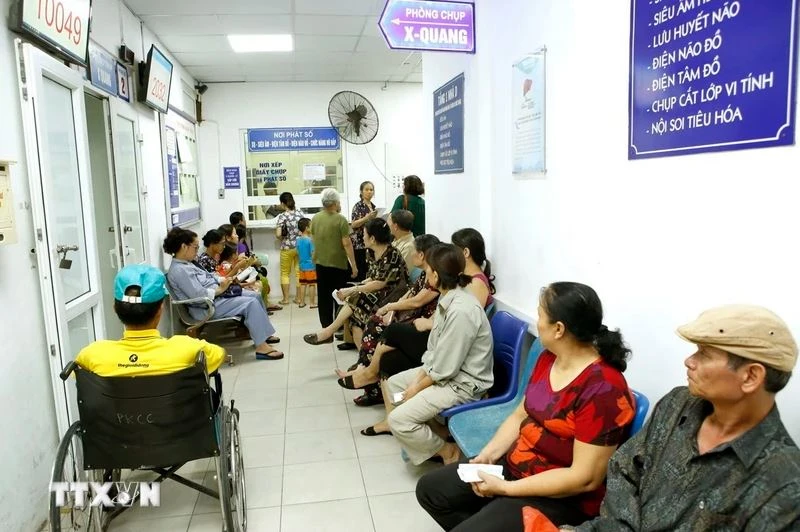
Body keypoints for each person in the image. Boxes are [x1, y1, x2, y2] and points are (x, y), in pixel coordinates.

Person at [416, 281, 635, 531]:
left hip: (562, 496)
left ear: (559, 329)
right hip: (518, 466)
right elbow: (521, 413)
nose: (537, 320)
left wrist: (507, 489)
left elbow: (584, 479)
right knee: (431, 491)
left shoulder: (603, 389)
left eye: (540, 314)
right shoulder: (548, 358)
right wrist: (488, 455)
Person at [567, 304, 800, 532]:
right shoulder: (678, 404)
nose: (689, 361)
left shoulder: (784, 484)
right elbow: (624, 468)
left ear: (750, 376)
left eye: (705, 354)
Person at [384, 243, 493, 465]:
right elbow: (434, 351)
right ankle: (438, 436)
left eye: (427, 270)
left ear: (436, 274)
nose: (424, 274)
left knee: (398, 420)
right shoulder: (448, 297)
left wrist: (416, 387)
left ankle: (448, 451)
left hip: (463, 383)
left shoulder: (461, 310)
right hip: (448, 372)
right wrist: (417, 380)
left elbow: (446, 368)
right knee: (394, 384)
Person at [76, 264, 226, 378]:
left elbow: (78, 374)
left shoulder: (92, 354)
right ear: (160, 309)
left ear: (115, 308)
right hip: (175, 418)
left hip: (115, 419)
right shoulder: (189, 349)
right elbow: (219, 355)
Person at [337, 234, 440, 390]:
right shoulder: (425, 273)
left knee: (377, 326)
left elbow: (417, 300)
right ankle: (363, 369)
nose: (411, 255)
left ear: (421, 254)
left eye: (414, 251)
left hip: (420, 323)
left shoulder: (435, 276)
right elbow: (410, 293)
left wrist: (390, 307)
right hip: (411, 315)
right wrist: (392, 309)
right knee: (373, 319)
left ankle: (367, 374)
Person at [163, 227, 284, 360]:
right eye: (195, 247)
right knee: (250, 303)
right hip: (205, 307)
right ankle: (262, 348)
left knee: (254, 295)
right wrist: (220, 289)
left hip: (216, 297)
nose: (197, 251)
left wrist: (225, 280)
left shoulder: (187, 264)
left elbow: (209, 277)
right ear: (184, 247)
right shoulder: (180, 271)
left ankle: (263, 335)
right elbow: (197, 296)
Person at [304, 218, 407, 347]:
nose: (362, 238)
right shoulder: (371, 252)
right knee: (355, 319)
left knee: (355, 296)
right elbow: (373, 277)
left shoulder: (392, 255)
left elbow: (380, 283)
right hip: (378, 292)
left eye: (364, 234)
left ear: (373, 239)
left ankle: (329, 331)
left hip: (392, 295)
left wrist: (354, 289)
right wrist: (360, 285)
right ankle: (362, 362)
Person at [309, 188, 358, 328]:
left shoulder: (316, 218)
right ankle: (339, 326)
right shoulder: (341, 220)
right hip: (338, 264)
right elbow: (347, 243)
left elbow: (314, 239)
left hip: (320, 262)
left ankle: (326, 325)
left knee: (323, 295)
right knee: (339, 295)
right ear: (336, 203)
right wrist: (354, 265)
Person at [452, 228, 496, 309]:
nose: (451, 255)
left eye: (453, 250)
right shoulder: (464, 276)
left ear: (466, 252)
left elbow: (469, 319)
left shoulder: (477, 284)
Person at [275, 192, 306, 305]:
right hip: (299, 247)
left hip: (287, 247)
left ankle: (286, 299)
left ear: (283, 203)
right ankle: (298, 298)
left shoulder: (282, 216)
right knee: (298, 273)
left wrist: (284, 236)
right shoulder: (300, 213)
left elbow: (278, 234)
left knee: (285, 273)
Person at [350, 181, 378, 282]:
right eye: (366, 189)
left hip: (372, 243)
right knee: (362, 271)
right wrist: (366, 218)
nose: (369, 192)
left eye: (371, 190)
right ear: (361, 192)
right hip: (360, 244)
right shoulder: (358, 206)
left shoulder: (374, 207)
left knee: (371, 271)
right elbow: (353, 224)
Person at [295, 217, 317, 309]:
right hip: (310, 266)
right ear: (307, 228)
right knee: (312, 284)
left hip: (301, 266)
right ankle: (312, 303)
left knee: (303, 284)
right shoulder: (310, 240)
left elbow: (298, 253)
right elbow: (312, 253)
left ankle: (301, 302)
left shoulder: (298, 240)